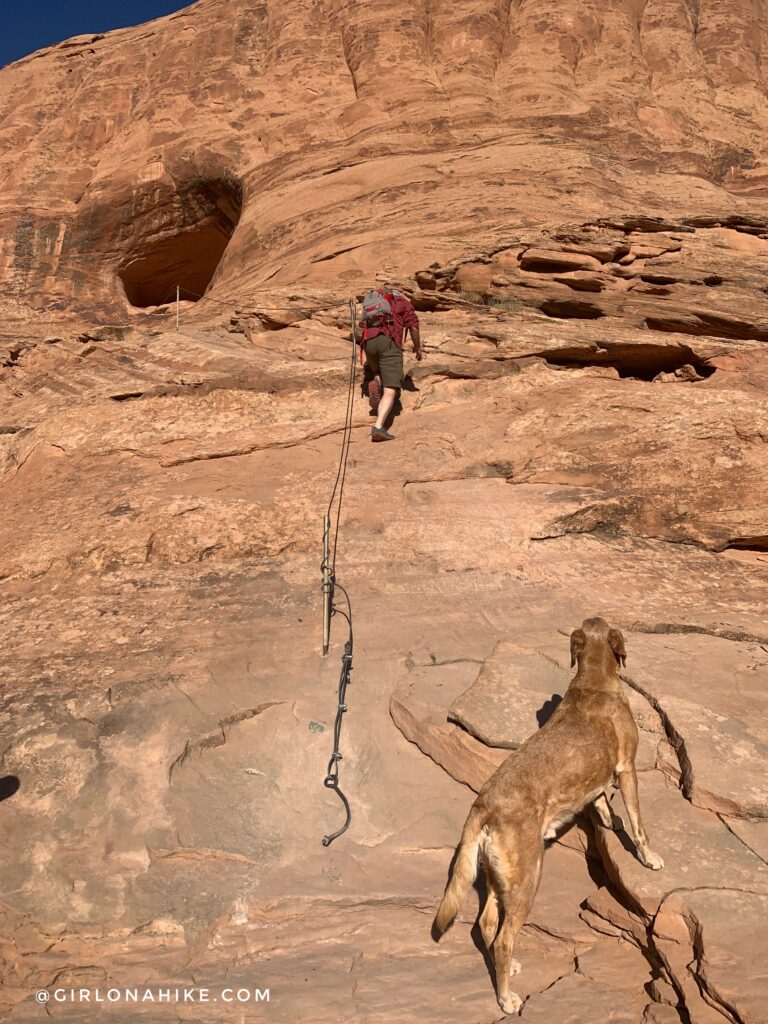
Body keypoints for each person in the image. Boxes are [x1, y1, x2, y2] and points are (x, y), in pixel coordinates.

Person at [357, 288, 423, 442]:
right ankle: (379, 427)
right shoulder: (403, 303)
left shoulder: (375, 302)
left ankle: (377, 379)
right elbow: (413, 325)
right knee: (391, 389)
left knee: (379, 368)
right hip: (388, 343)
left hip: (369, 343)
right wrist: (418, 347)